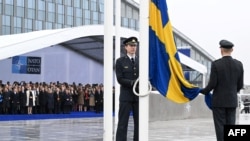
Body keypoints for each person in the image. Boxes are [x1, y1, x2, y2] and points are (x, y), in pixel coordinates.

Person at [200, 39, 244, 141]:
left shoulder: (216, 64)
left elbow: (212, 84)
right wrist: (232, 92)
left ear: (221, 50)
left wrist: (203, 91)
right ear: (232, 50)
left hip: (219, 102)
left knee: (220, 128)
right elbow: (240, 84)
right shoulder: (239, 64)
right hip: (232, 101)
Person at [115, 36, 139, 141]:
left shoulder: (141, 61)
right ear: (126, 47)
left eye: (135, 45)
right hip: (126, 96)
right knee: (122, 123)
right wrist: (132, 83)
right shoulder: (120, 61)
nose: (133, 48)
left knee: (139, 123)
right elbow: (120, 79)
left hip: (138, 96)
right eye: (131, 45)